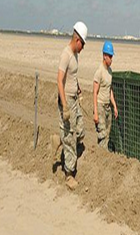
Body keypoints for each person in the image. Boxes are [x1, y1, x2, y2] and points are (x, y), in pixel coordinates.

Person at [51, 21, 87, 190]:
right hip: (66, 101)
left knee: (80, 130)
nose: (83, 48)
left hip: (74, 99)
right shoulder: (65, 54)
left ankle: (58, 139)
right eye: (83, 44)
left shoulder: (75, 55)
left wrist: (78, 89)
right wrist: (64, 105)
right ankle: (69, 174)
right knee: (71, 137)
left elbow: (72, 76)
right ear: (77, 40)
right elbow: (59, 80)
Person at [93, 41, 119, 149]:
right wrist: (95, 112)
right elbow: (94, 92)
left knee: (107, 133)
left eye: (112, 56)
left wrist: (114, 106)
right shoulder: (99, 72)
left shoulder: (110, 71)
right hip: (100, 106)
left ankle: (103, 154)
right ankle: (101, 155)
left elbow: (110, 90)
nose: (111, 59)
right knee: (102, 134)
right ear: (104, 56)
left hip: (107, 106)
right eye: (110, 56)